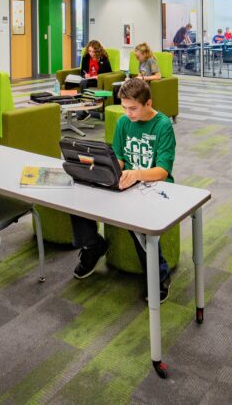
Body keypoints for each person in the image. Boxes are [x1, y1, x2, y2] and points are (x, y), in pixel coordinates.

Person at [71, 78, 175, 302]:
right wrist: (103, 170)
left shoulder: (163, 125)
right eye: (125, 108)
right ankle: (93, 245)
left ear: (148, 103)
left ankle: (159, 274)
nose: (128, 113)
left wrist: (136, 174)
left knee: (136, 221)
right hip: (126, 182)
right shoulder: (123, 123)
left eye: (133, 108)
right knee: (78, 196)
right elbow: (118, 158)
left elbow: (162, 171)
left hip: (154, 186)